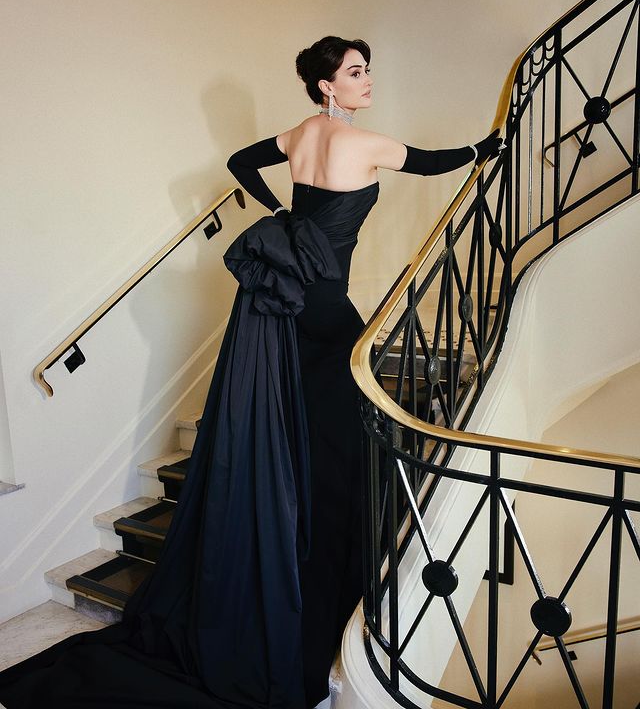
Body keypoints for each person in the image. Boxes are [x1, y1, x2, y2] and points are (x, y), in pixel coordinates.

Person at [0, 36, 503, 709]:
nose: (367, 81)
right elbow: (438, 161)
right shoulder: (367, 143)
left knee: (308, 416)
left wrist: (281, 214)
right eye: (355, 72)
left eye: (367, 70)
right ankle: (324, 550)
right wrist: (487, 147)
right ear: (327, 86)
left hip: (287, 296)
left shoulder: (299, 136)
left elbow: (241, 162)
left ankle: (297, 529)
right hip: (323, 302)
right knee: (349, 418)